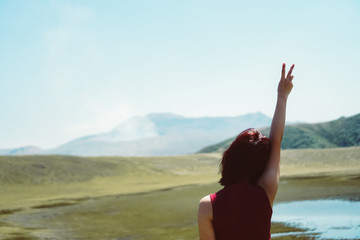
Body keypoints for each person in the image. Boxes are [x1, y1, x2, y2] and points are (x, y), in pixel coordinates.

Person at [198, 63, 295, 240]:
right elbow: (276, 142)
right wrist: (282, 97)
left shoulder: (207, 205)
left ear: (230, 158)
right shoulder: (266, 191)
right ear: (261, 166)